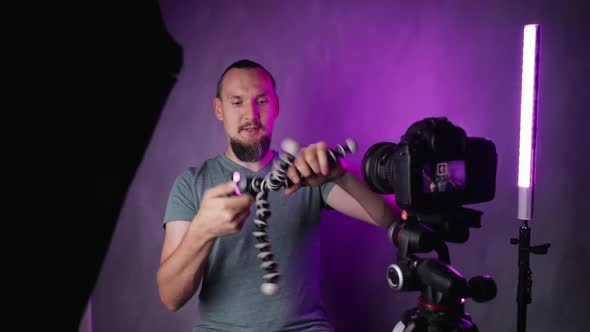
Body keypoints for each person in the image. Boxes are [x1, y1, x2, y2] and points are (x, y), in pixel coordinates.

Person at [157, 59, 402, 332]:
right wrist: (201, 231)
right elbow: (170, 297)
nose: (250, 114)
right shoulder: (191, 183)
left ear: (276, 106)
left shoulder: (307, 172)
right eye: (237, 102)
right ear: (219, 109)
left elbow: (391, 218)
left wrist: (343, 174)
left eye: (260, 101)